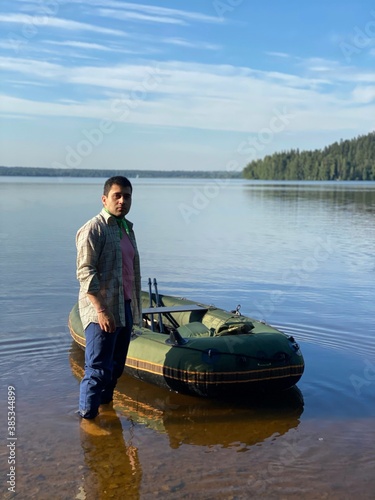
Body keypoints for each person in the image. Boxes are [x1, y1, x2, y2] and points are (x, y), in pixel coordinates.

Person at [76, 176, 141, 419]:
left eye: (127, 196)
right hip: (100, 310)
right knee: (97, 370)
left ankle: (106, 410)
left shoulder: (127, 229)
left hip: (123, 305)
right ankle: (87, 420)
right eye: (117, 195)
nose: (122, 200)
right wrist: (102, 310)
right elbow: (84, 272)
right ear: (105, 199)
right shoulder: (94, 228)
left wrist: (132, 307)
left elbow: (128, 271)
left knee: (115, 368)